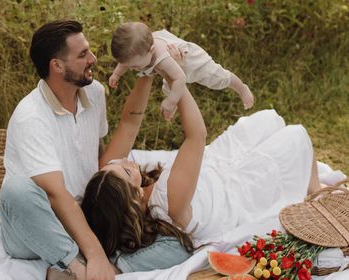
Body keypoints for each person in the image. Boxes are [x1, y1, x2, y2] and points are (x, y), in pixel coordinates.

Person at [0, 19, 191, 280]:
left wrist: (148, 73)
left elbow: (114, 147)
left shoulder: (94, 93)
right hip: (36, 226)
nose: (93, 60)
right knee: (16, 191)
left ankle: (70, 274)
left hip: (84, 216)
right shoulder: (30, 118)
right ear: (57, 66)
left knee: (178, 247)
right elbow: (56, 195)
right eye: (83, 55)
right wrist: (96, 256)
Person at [82, 87, 323, 262]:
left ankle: (307, 182)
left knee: (267, 120)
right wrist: (176, 79)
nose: (124, 160)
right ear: (134, 198)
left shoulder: (121, 188)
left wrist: (148, 71)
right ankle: (314, 190)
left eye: (113, 164)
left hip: (215, 165)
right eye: (125, 169)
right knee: (296, 136)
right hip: (234, 193)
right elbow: (197, 134)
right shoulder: (167, 200)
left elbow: (128, 122)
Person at [108, 22, 254, 120]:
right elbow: (125, 63)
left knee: (218, 78)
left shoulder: (163, 57)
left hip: (192, 61)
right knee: (167, 87)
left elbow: (180, 78)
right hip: (171, 67)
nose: (133, 69)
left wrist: (171, 100)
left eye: (136, 66)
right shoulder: (139, 50)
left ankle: (241, 88)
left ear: (151, 51)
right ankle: (174, 106)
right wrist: (117, 74)